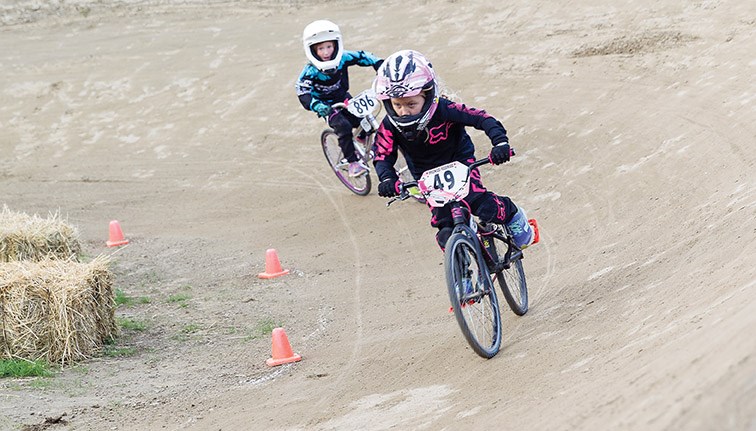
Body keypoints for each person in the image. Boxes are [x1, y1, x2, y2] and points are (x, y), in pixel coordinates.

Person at [371, 49, 535, 250]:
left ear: (428, 95)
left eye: (411, 104)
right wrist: (387, 179)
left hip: (460, 163)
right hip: (426, 176)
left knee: (482, 205)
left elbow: (482, 118)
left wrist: (499, 143)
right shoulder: (389, 126)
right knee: (445, 231)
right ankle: (462, 275)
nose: (404, 111)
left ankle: (512, 214)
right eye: (397, 105)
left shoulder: (445, 109)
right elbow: (381, 155)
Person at [295, 20, 384, 177]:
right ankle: (352, 163)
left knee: (362, 120)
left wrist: (379, 64)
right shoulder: (310, 71)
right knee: (343, 126)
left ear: (336, 44)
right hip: (325, 105)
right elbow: (302, 91)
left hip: (343, 97)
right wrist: (316, 106)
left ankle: (363, 138)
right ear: (313, 50)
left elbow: (362, 56)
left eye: (329, 46)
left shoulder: (343, 58)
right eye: (320, 48)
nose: (326, 52)